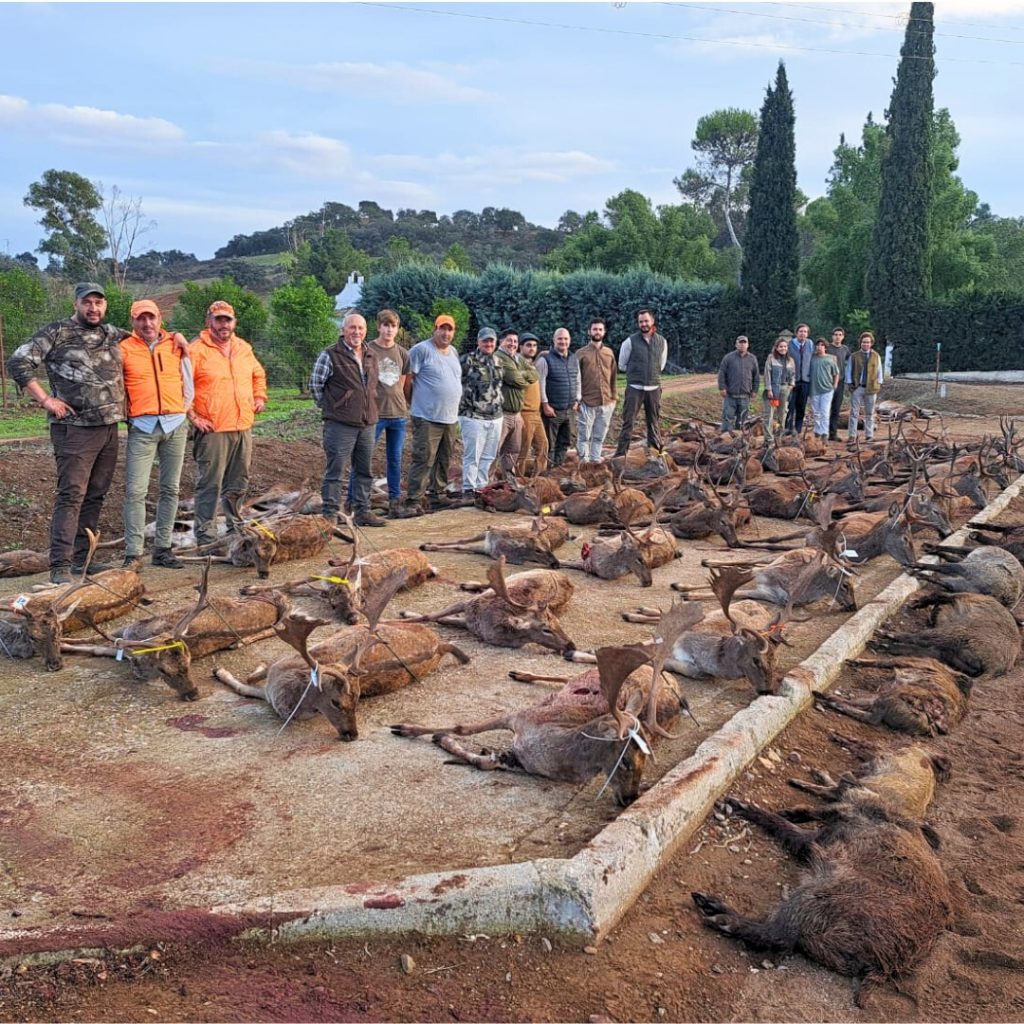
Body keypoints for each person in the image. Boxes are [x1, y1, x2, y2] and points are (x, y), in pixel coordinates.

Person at [7, 282, 136, 584]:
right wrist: (46, 400)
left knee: (95, 495)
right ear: (76, 304)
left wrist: (177, 339)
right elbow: (18, 361)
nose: (93, 308)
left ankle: (83, 559)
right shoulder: (57, 332)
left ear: (105, 306)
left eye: (98, 303)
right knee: (72, 495)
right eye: (87, 302)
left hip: (109, 428)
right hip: (74, 431)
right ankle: (60, 566)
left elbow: (150, 338)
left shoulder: (111, 334)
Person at [121, 299, 194, 570]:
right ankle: (133, 553)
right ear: (133, 321)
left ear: (160, 318)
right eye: (141, 318)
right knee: (135, 491)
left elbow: (188, 380)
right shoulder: (124, 348)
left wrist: (182, 410)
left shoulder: (175, 344)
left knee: (170, 489)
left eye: (151, 318)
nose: (147, 323)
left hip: (175, 424)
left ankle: (162, 549)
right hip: (142, 427)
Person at [188, 300, 267, 546]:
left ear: (234, 323)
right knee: (210, 483)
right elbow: (181, 386)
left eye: (227, 320)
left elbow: (258, 374)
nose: (223, 324)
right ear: (208, 322)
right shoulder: (195, 351)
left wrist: (259, 396)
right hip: (213, 429)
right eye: (218, 319)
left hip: (242, 426)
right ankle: (206, 536)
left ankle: (235, 527)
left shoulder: (243, 347)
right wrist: (193, 416)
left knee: (238, 480)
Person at [310, 312, 387, 528]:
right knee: (335, 471)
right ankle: (331, 515)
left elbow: (373, 386)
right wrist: (333, 407)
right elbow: (316, 385)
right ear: (343, 330)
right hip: (340, 424)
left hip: (367, 423)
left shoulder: (371, 355)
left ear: (366, 331)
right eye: (352, 328)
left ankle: (362, 511)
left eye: (361, 328)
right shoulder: (330, 355)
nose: (357, 332)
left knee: (364, 470)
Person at [346, 308, 418, 519]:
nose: (389, 329)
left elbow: (404, 383)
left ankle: (395, 503)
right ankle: (353, 502)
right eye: (385, 325)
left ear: (397, 329)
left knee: (395, 458)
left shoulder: (403, 353)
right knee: (363, 459)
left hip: (398, 414)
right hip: (373, 415)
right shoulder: (368, 350)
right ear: (378, 327)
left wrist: (406, 405)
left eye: (393, 326)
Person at [402, 314, 463, 513]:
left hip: (450, 417)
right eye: (442, 329)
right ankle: (414, 500)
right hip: (427, 416)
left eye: (449, 329)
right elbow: (407, 380)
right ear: (434, 329)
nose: (445, 333)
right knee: (424, 458)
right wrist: (414, 404)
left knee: (444, 459)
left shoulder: (453, 352)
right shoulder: (421, 350)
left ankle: (437, 494)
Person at [614, 308, 667, 456]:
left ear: (652, 321)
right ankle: (620, 455)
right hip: (634, 388)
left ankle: (655, 454)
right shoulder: (629, 342)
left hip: (654, 389)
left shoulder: (662, 342)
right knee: (628, 423)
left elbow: (661, 365)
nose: (643, 324)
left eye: (646, 321)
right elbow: (622, 365)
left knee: (654, 423)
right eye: (641, 321)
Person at [458, 327, 504, 495]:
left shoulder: (499, 361)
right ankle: (469, 488)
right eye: (485, 340)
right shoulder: (467, 361)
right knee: (472, 456)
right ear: (478, 341)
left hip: (495, 417)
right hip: (473, 416)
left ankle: (481, 486)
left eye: (491, 340)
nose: (488, 343)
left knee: (488, 456)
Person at [494, 327, 537, 477]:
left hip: (516, 414)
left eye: (515, 341)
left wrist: (521, 374)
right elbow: (517, 381)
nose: (512, 344)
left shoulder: (517, 358)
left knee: (512, 451)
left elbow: (535, 375)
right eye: (509, 340)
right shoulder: (499, 357)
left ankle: (507, 483)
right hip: (501, 414)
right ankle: (483, 485)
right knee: (493, 451)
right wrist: (522, 377)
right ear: (501, 342)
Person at [537, 327, 581, 468]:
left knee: (565, 442)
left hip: (570, 409)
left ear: (570, 340)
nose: (563, 341)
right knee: (550, 443)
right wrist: (545, 404)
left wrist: (577, 400)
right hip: (552, 410)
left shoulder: (574, 358)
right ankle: (547, 471)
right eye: (560, 339)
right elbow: (541, 383)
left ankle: (558, 469)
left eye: (566, 339)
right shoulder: (545, 360)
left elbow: (578, 379)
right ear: (554, 340)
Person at [576, 317, 617, 462]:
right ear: (589, 332)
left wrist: (614, 398)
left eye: (600, 329)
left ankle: (595, 460)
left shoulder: (609, 353)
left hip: (606, 401)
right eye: (594, 329)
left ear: (604, 332)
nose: (597, 332)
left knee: (599, 435)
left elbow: (613, 375)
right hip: (587, 401)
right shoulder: (580, 354)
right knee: (584, 435)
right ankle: (583, 462)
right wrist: (577, 399)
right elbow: (576, 378)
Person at [515, 333, 548, 475]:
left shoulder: (533, 366)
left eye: (534, 346)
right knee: (523, 450)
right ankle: (517, 480)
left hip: (537, 413)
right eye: (528, 345)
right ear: (520, 346)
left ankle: (538, 478)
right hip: (525, 414)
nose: (532, 348)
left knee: (543, 446)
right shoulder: (517, 365)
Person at [717, 335, 760, 433]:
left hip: (745, 395)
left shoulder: (752, 359)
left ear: (748, 345)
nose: (742, 345)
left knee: (743, 421)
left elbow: (756, 376)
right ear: (736, 344)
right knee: (727, 418)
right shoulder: (728, 358)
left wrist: (755, 390)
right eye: (740, 343)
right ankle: (725, 439)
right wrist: (722, 388)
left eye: (744, 343)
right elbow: (721, 374)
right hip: (730, 395)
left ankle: (740, 440)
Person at [846, 331, 884, 443]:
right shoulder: (854, 356)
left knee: (870, 413)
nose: (865, 344)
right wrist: (850, 384)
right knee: (854, 412)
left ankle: (869, 435)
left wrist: (879, 383)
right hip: (857, 387)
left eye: (867, 342)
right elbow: (849, 370)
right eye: (863, 342)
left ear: (871, 343)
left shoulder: (876, 356)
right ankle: (852, 435)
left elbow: (879, 371)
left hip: (871, 388)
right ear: (860, 343)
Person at [761, 336, 795, 436]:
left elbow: (793, 374)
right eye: (781, 346)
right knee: (769, 415)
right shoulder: (771, 358)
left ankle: (779, 437)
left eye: (785, 346)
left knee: (782, 414)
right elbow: (767, 374)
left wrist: (791, 385)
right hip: (773, 389)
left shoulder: (790, 360)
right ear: (776, 347)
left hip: (785, 389)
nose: (783, 348)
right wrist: (769, 389)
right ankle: (769, 439)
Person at [784, 323, 814, 435]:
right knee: (790, 406)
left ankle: (798, 430)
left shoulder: (810, 344)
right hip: (791, 381)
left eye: (805, 332)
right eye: (801, 331)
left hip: (805, 381)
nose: (803, 334)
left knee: (801, 407)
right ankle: (788, 429)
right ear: (796, 333)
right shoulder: (789, 345)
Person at [808, 337, 840, 441]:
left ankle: (824, 433)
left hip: (827, 389)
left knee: (825, 412)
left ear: (825, 347)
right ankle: (817, 431)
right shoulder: (812, 358)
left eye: (822, 345)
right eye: (818, 345)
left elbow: (836, 373)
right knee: (816, 412)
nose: (819, 347)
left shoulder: (830, 359)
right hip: (814, 389)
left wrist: (835, 384)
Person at [827, 327, 851, 442]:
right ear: (832, 336)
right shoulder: (827, 348)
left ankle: (833, 433)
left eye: (840, 334)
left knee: (836, 409)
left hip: (840, 382)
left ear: (843, 337)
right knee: (825, 409)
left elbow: (849, 362)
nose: (837, 336)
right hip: (827, 382)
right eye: (835, 334)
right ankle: (822, 433)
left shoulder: (845, 349)